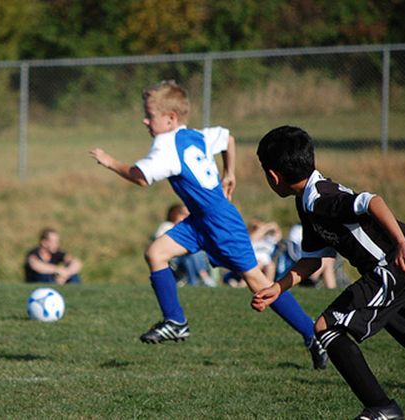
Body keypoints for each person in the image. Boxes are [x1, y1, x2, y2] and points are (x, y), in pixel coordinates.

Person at [89, 80, 327, 370]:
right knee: (156, 253)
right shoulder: (193, 136)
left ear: (170, 118)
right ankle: (176, 321)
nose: (145, 120)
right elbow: (228, 138)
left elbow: (140, 177)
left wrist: (109, 161)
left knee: (260, 285)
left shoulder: (166, 147)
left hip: (220, 223)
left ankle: (314, 334)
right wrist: (230, 173)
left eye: (150, 115)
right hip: (201, 220)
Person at [253, 125, 405, 419]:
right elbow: (312, 259)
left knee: (325, 327)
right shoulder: (308, 199)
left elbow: (370, 201)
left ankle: (382, 408)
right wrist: (279, 286)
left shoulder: (321, 198)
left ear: (274, 176)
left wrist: (400, 243)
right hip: (404, 270)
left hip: (390, 269)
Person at [154, 204, 217, 287]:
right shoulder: (167, 226)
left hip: (188, 255)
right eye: (182, 214)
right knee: (192, 252)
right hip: (173, 257)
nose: (186, 216)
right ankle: (204, 277)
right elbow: (158, 243)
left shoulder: (188, 228)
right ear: (175, 214)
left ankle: (194, 282)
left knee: (191, 255)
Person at [275, 224, 341, 289]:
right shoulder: (297, 229)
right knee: (326, 260)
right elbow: (292, 249)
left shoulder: (316, 229)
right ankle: (313, 280)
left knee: (328, 260)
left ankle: (329, 288)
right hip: (300, 260)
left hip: (311, 258)